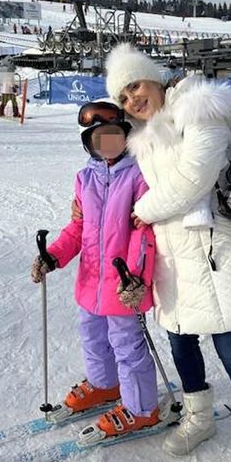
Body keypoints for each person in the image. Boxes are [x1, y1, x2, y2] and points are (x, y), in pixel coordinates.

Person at [104, 43, 231, 462]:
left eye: (135, 86)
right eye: (123, 97)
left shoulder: (200, 109)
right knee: (180, 340)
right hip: (170, 256)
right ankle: (199, 417)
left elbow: (191, 181)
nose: (132, 100)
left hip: (211, 251)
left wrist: (141, 212)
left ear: (153, 77)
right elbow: (128, 179)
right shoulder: (145, 135)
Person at [31, 101, 160, 438]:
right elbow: (78, 229)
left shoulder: (138, 176)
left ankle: (141, 408)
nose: (108, 143)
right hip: (90, 280)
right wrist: (54, 256)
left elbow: (142, 233)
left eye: (114, 135)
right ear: (88, 142)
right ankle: (104, 384)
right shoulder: (84, 178)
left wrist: (133, 277)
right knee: (92, 335)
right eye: (99, 138)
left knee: (127, 344)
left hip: (122, 283)